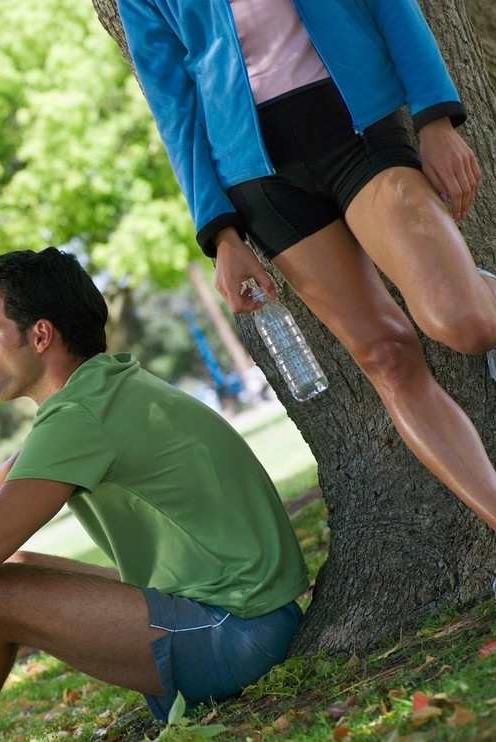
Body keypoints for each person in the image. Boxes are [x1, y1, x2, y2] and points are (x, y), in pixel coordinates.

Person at [0, 247, 309, 740]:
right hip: (246, 617)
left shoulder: (80, 416)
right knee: (10, 573)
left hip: (238, 633)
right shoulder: (97, 392)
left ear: (41, 335)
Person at [114, 0, 496, 532]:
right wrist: (220, 232)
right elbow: (172, 101)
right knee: (385, 357)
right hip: (257, 177)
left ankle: (476, 290)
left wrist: (435, 116)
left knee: (465, 322)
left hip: (356, 126)